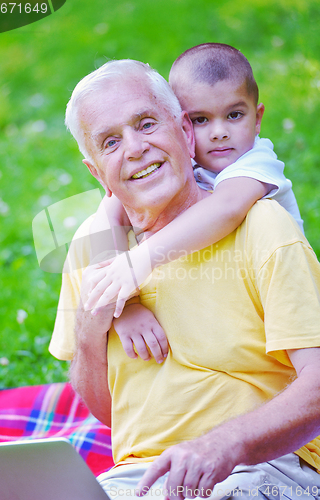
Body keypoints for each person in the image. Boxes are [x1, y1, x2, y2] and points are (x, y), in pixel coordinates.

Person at [49, 59, 320, 499]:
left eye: (146, 123)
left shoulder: (260, 223)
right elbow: (110, 413)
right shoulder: (95, 249)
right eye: (111, 142)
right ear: (97, 172)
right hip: (142, 480)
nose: (135, 148)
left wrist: (222, 446)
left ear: (184, 131)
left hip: (262, 466)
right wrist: (90, 326)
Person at [84, 44, 304, 364]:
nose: (218, 133)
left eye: (234, 115)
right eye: (201, 120)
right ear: (182, 125)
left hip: (281, 299)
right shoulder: (181, 166)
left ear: (257, 119)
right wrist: (126, 302)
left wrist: (140, 261)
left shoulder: (256, 163)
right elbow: (109, 212)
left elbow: (227, 208)